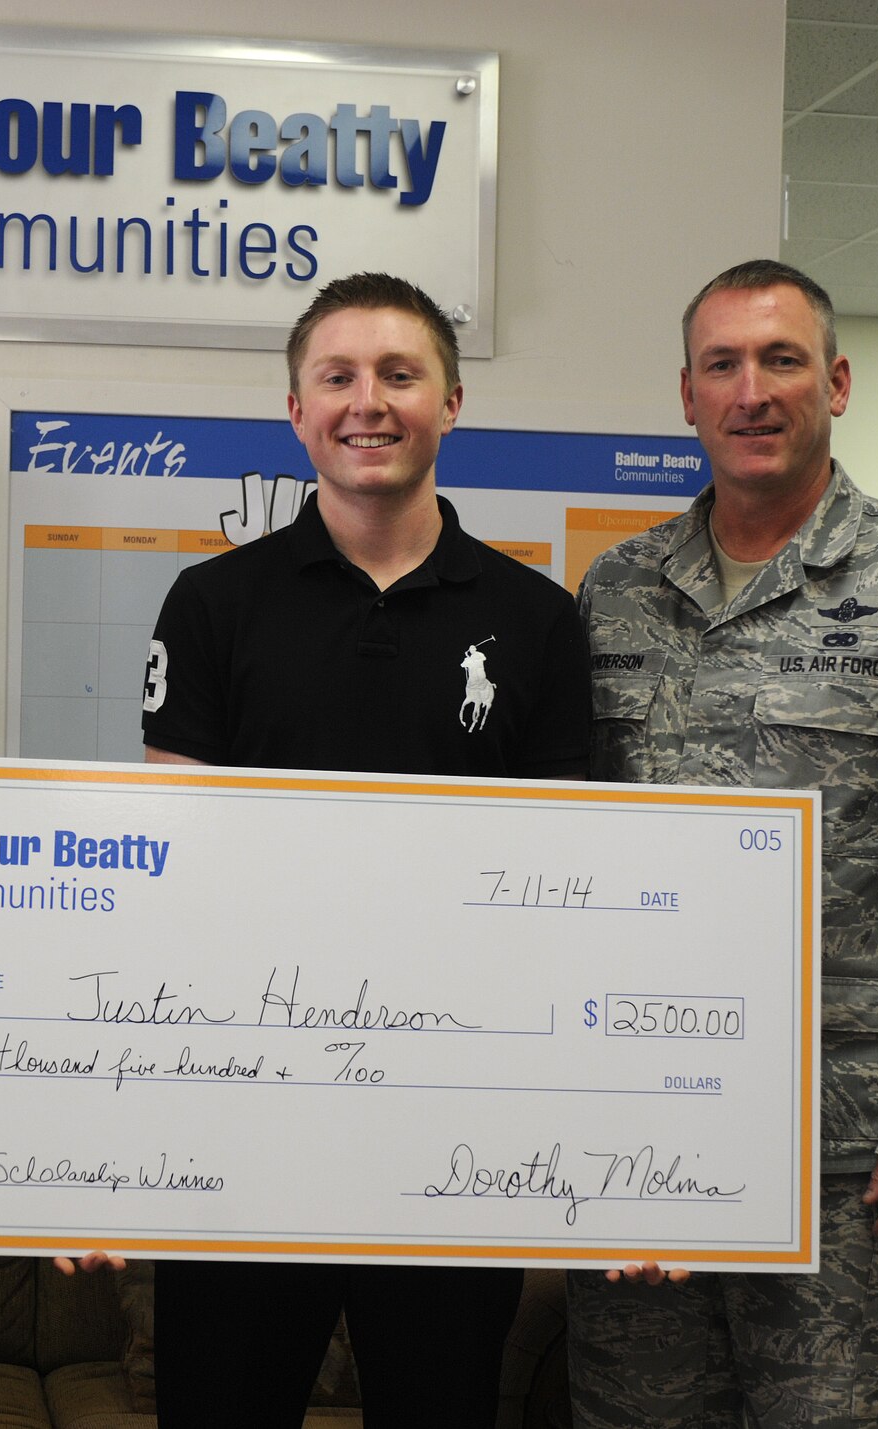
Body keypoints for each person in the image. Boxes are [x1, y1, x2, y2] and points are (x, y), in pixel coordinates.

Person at [566, 259, 878, 1427]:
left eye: (781, 360)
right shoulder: (613, 592)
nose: (752, 390)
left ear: (834, 382)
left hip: (840, 1156)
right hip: (638, 1134)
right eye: (722, 365)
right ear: (684, 397)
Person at [141, 273, 593, 1428]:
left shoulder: (536, 618)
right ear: (294, 410)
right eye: (336, 377)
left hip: (452, 1124)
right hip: (246, 1120)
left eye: (399, 375)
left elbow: (562, 890)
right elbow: (177, 865)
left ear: (450, 401)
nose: (368, 401)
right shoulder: (209, 603)